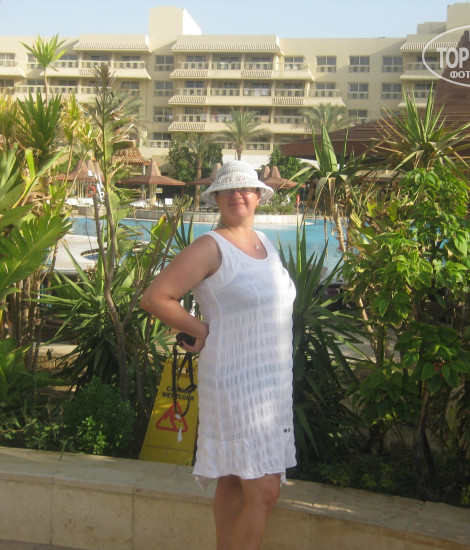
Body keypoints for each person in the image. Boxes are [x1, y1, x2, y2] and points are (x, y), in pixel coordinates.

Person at [140, 160, 297, 550]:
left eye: (245, 189)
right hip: (236, 385)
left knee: (233, 479)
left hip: (272, 385)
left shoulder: (266, 244)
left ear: (258, 196)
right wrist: (201, 330)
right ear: (217, 199)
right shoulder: (210, 246)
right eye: (228, 190)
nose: (237, 195)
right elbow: (156, 297)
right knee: (265, 491)